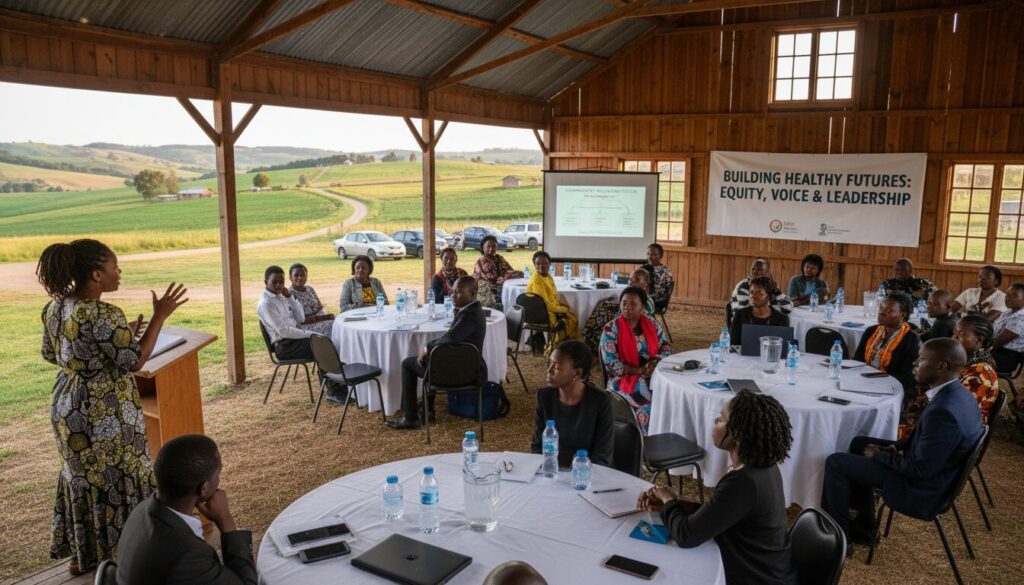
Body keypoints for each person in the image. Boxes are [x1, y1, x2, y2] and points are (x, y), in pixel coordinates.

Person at [36, 239, 189, 574]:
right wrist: (160, 316)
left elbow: (51, 353)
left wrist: (117, 337)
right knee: (119, 476)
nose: (119, 273)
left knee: (82, 477)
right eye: (114, 268)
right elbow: (134, 361)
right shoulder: (103, 313)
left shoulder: (55, 307)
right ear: (96, 275)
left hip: (67, 405)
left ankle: (83, 556)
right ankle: (125, 558)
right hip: (105, 409)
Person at [821, 338, 984, 556]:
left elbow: (921, 469)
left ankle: (838, 541)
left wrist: (880, 456)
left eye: (922, 359)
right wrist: (893, 449)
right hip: (933, 471)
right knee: (859, 443)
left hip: (921, 488)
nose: (915, 364)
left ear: (941, 366)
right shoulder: (958, 394)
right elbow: (926, 447)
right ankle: (865, 526)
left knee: (836, 463)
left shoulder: (943, 412)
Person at [638, 392, 797, 585]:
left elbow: (686, 536)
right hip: (768, 570)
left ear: (738, 435)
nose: (715, 422)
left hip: (756, 578)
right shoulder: (764, 467)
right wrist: (670, 504)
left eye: (721, 419)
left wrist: (669, 501)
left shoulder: (744, 482)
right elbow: (721, 511)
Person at [117, 434, 257, 585]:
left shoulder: (142, 509)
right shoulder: (187, 556)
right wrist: (226, 521)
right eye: (218, 475)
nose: (219, 480)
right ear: (203, 489)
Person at [388, 276, 486, 430]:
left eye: (458, 292)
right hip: (467, 368)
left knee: (408, 364)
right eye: (452, 292)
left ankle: (411, 418)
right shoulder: (473, 310)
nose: (453, 296)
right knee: (433, 359)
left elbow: (451, 338)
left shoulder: (469, 315)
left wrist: (426, 348)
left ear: (472, 293)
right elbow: (452, 337)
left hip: (462, 373)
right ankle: (427, 410)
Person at [258, 265, 344, 402]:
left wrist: (289, 297)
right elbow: (284, 331)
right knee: (322, 345)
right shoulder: (267, 304)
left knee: (327, 342)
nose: (279, 285)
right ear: (265, 282)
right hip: (285, 345)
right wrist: (310, 334)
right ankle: (333, 391)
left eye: (281, 282)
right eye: (274, 282)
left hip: (294, 338)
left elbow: (300, 318)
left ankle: (339, 383)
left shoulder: (280, 296)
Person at [530, 340, 614, 468]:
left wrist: (575, 474)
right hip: (553, 471)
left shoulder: (601, 401)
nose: (549, 370)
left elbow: (602, 457)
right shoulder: (544, 396)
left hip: (588, 473)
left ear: (577, 373)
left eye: (556, 367)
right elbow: (537, 446)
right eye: (549, 363)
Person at [600, 286, 671, 434]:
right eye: (624, 303)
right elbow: (611, 364)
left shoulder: (652, 324)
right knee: (647, 406)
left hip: (652, 374)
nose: (627, 307)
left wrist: (655, 363)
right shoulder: (611, 329)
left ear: (642, 307)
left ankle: (663, 438)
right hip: (622, 379)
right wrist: (640, 371)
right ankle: (644, 443)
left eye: (633, 304)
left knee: (669, 399)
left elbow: (665, 347)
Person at [853, 293, 921, 396]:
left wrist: (876, 381)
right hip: (864, 380)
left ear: (903, 314)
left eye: (889, 311)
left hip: (893, 387)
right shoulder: (870, 331)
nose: (881, 313)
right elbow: (857, 360)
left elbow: (907, 376)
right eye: (881, 308)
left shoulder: (911, 339)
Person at [582, 267, 655, 356]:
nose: (632, 282)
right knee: (601, 308)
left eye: (637, 280)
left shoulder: (646, 303)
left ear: (646, 284)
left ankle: (593, 347)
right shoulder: (633, 296)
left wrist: (612, 322)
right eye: (631, 279)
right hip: (620, 321)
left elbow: (630, 321)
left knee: (599, 321)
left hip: (628, 330)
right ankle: (588, 343)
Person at [525, 250, 580, 343]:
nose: (541, 266)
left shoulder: (548, 276)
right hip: (540, 314)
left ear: (549, 264)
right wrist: (563, 309)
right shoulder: (537, 280)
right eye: (538, 264)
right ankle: (556, 344)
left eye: (545, 263)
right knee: (569, 316)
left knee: (571, 314)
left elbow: (553, 297)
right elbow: (545, 304)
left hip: (547, 310)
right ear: (534, 265)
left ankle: (564, 342)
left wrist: (561, 308)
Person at [729, 277, 791, 345]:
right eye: (751, 292)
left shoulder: (782, 319)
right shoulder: (740, 315)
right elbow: (733, 343)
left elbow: (784, 347)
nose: (753, 296)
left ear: (769, 296)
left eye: (759, 293)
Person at [473, 235, 521, 309]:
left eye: (494, 246)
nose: (491, 249)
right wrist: (506, 278)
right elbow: (490, 280)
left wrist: (513, 274)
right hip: (490, 292)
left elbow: (510, 270)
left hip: (503, 286)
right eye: (488, 246)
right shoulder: (482, 262)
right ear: (483, 248)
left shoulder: (499, 258)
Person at [287, 262, 335, 337]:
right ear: (290, 277)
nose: (300, 278)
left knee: (339, 322)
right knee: (332, 327)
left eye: (303, 275)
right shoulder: (289, 295)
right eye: (296, 275)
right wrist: (321, 318)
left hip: (320, 320)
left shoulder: (309, 289)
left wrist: (326, 316)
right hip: (305, 326)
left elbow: (319, 307)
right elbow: (296, 320)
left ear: (307, 276)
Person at [991, 283, 1024, 373]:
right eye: (1007, 294)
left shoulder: (1021, 317)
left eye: (1015, 295)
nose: (1008, 298)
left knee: (967, 356)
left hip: (1005, 358)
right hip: (997, 351)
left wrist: (979, 348)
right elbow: (993, 332)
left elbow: (998, 342)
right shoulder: (1008, 312)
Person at [646, 242, 675, 309]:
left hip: (657, 302)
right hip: (645, 298)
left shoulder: (664, 271)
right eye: (648, 254)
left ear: (660, 256)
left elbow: (660, 293)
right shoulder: (644, 267)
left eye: (654, 254)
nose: (650, 257)